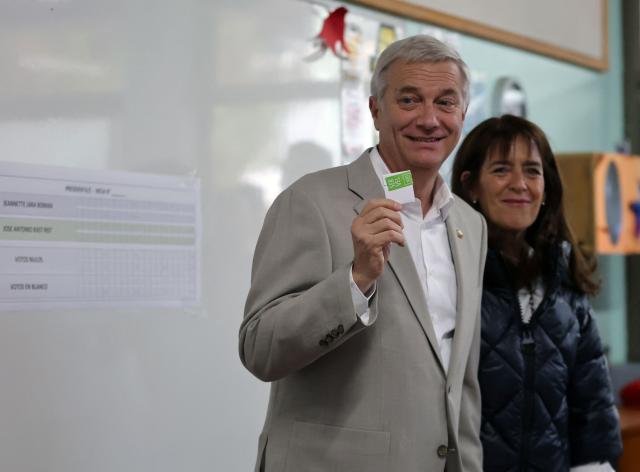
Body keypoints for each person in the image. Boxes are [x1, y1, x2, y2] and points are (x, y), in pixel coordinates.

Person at [239, 35, 487, 471]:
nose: (429, 119)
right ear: (375, 110)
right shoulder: (310, 201)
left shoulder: (469, 224)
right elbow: (260, 348)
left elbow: (458, 379)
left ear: (462, 115)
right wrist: (355, 281)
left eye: (445, 103)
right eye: (409, 100)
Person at [451, 114, 622, 471]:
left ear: (547, 188)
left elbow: (592, 407)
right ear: (470, 187)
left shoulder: (565, 283)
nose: (520, 184)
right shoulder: (447, 276)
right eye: (500, 170)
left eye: (532, 171)